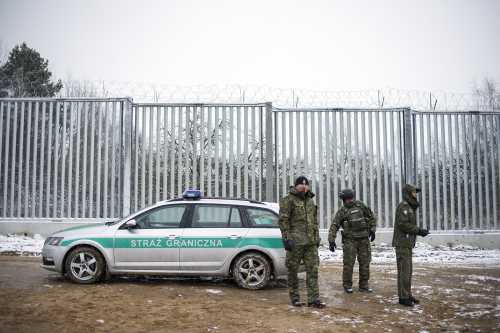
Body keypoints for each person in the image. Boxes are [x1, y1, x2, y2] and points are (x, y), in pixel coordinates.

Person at [278, 176, 326, 308]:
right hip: (295, 242)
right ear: (296, 186)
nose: (304, 187)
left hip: (310, 243)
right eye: (301, 184)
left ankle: (313, 299)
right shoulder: (288, 200)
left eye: (306, 185)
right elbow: (283, 221)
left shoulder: (310, 201)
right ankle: (295, 298)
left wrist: (317, 238)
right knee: (293, 270)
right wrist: (286, 238)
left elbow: (314, 222)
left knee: (313, 270)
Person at [328, 189, 376, 293]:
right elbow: (334, 225)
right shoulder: (342, 211)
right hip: (350, 241)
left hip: (363, 239)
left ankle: (364, 285)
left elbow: (371, 217)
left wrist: (372, 230)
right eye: (347, 199)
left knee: (365, 263)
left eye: (349, 199)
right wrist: (331, 240)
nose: (348, 201)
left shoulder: (360, 206)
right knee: (348, 264)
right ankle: (347, 285)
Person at [393, 184, 430, 307]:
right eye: (414, 192)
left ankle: (407, 294)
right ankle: (403, 297)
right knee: (404, 270)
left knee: (408, 271)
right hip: (402, 243)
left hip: (407, 243)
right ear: (408, 193)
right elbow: (403, 224)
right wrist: (419, 230)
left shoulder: (409, 207)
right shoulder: (403, 206)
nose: (415, 194)